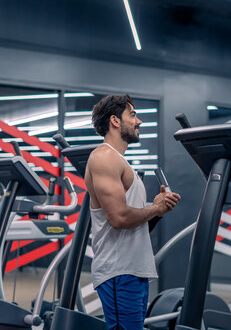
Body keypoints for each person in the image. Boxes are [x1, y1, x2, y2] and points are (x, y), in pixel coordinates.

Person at [85, 94, 181, 330]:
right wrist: (155, 208)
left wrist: (157, 209)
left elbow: (135, 223)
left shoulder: (119, 161)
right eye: (133, 115)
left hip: (132, 271)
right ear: (115, 121)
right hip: (119, 272)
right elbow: (118, 218)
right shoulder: (104, 157)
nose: (138, 122)